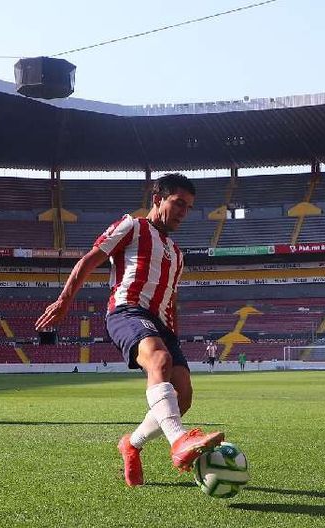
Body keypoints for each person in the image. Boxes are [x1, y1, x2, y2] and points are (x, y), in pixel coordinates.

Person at [35, 173, 223, 487]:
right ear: (157, 199)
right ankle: (179, 442)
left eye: (188, 207)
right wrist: (64, 300)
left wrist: (173, 335)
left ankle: (131, 444)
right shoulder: (132, 226)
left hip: (161, 324)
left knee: (184, 396)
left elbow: (171, 298)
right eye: (178, 203)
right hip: (127, 310)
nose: (183, 212)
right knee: (159, 360)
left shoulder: (177, 254)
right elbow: (89, 260)